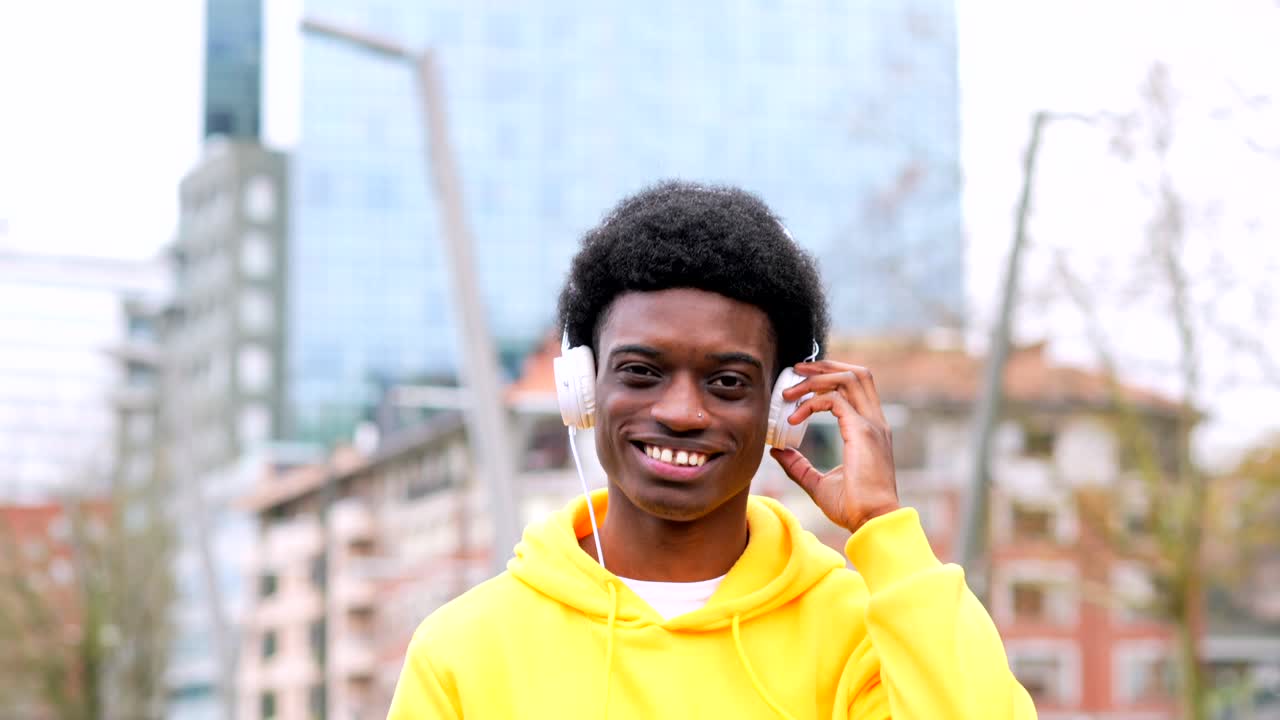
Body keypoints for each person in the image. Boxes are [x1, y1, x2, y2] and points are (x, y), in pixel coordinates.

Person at [387, 182, 1036, 719]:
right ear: (582, 389)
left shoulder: (860, 634)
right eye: (641, 371)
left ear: (782, 407)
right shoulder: (465, 652)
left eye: (727, 382)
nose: (681, 412)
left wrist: (884, 530)